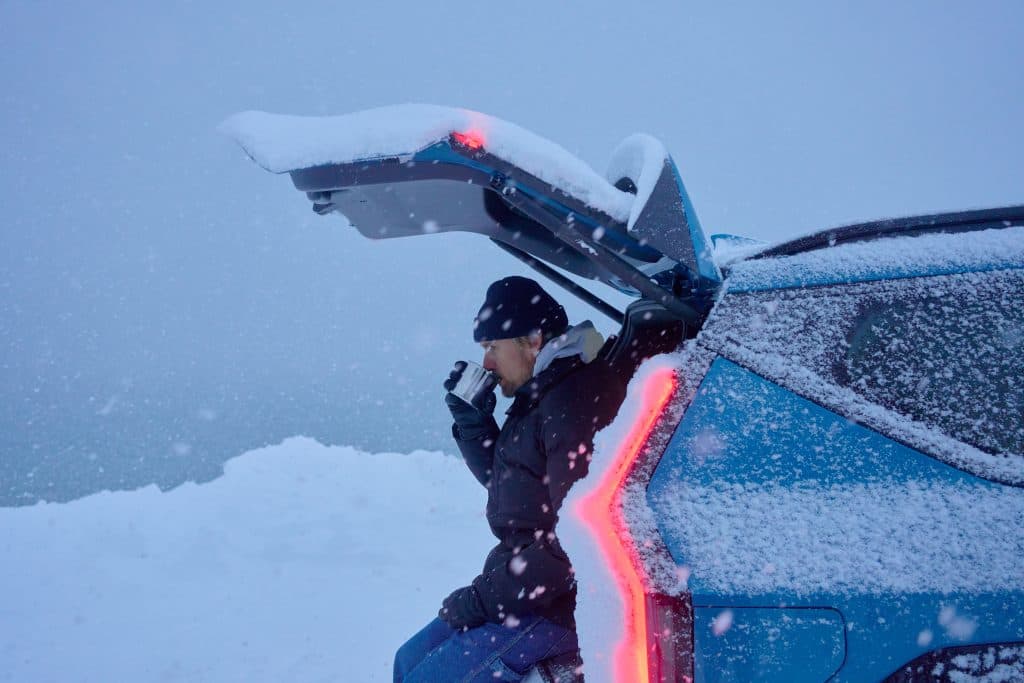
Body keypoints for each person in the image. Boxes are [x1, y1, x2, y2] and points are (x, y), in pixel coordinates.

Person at [394, 276, 627, 682]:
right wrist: (474, 424)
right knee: (407, 660)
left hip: (554, 607)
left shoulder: (569, 402)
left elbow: (576, 541)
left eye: (491, 348)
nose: (485, 363)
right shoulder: (543, 392)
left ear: (533, 341)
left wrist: (481, 602)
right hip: (526, 592)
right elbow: (517, 491)